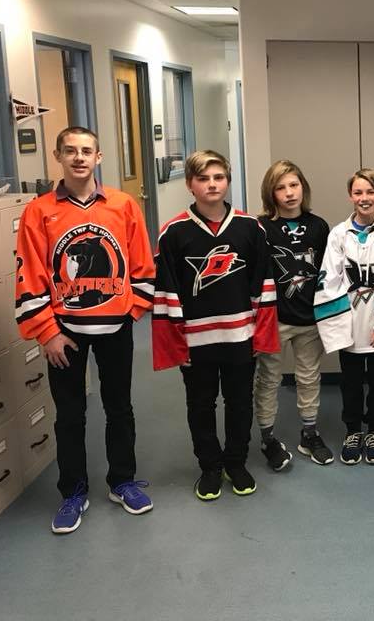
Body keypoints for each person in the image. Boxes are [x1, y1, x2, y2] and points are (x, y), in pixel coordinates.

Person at [15, 126, 155, 534]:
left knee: (119, 408)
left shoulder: (123, 205)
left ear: (100, 156)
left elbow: (143, 264)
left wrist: (132, 311)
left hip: (115, 327)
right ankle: (73, 492)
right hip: (64, 333)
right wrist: (47, 332)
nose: (79, 157)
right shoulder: (38, 212)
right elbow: (30, 274)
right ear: (58, 156)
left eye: (87, 151)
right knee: (70, 415)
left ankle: (122, 481)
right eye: (71, 151)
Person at [152, 150, 279, 501]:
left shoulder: (249, 228)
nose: (212, 184)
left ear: (228, 181)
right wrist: (177, 344)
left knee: (239, 402)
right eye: (204, 178)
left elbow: (263, 284)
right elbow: (165, 292)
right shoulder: (173, 233)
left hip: (240, 335)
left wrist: (260, 333)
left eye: (219, 177)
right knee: (201, 404)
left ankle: (235, 462)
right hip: (195, 340)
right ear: (190, 184)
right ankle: (209, 466)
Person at [313, 169, 374, 465]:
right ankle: (353, 431)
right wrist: (338, 326)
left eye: (370, 192)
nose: (364, 198)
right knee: (351, 382)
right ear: (350, 196)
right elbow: (328, 280)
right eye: (358, 192)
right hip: (350, 323)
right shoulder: (338, 234)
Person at [254, 160, 332, 470]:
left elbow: (328, 272)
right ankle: (267, 437)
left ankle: (309, 433)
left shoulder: (318, 226)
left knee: (309, 377)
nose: (289, 193)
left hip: (309, 319)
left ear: (303, 187)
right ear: (270, 193)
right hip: (275, 319)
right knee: (269, 379)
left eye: (294, 185)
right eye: (281, 187)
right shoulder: (260, 227)